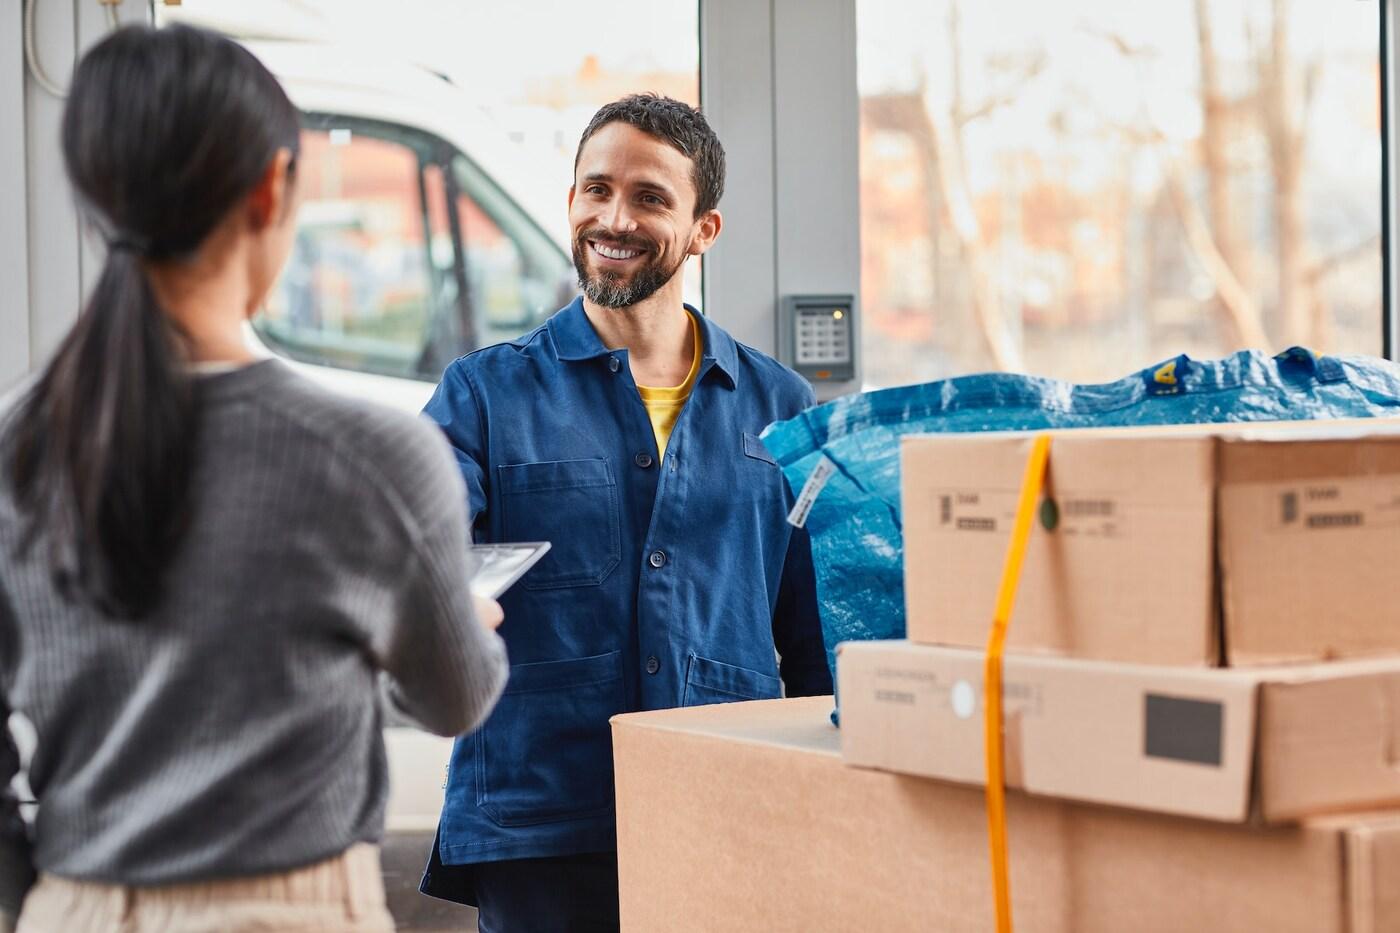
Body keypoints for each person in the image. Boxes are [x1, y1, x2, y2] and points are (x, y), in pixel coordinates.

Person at [0, 24, 509, 933]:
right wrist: (465, 620)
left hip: (69, 906)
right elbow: (455, 698)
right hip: (288, 911)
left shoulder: (18, 444)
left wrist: (47, 897)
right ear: (272, 189)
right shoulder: (376, 453)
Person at [419, 93, 833, 931]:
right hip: (541, 820)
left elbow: (814, 634)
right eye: (595, 189)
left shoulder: (782, 408)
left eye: (650, 197)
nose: (614, 217)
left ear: (702, 230)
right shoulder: (484, 394)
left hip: (727, 805)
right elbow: (414, 550)